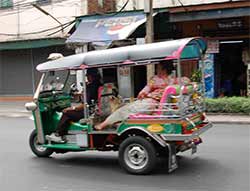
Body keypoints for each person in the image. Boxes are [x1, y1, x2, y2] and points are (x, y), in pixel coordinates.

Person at [95, 61, 189, 130]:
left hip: (149, 104)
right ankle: (113, 123)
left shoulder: (155, 79)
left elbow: (142, 92)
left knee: (122, 110)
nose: (157, 69)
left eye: (158, 67)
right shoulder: (174, 80)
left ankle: (102, 125)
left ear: (163, 69)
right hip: (161, 106)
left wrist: (142, 95)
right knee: (126, 108)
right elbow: (187, 80)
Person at [47, 69, 102, 143]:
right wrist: (80, 94)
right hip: (92, 109)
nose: (87, 78)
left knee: (67, 113)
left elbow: (85, 104)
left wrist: (72, 108)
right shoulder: (98, 84)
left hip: (88, 111)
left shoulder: (90, 87)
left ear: (91, 76)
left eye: (87, 76)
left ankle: (58, 135)